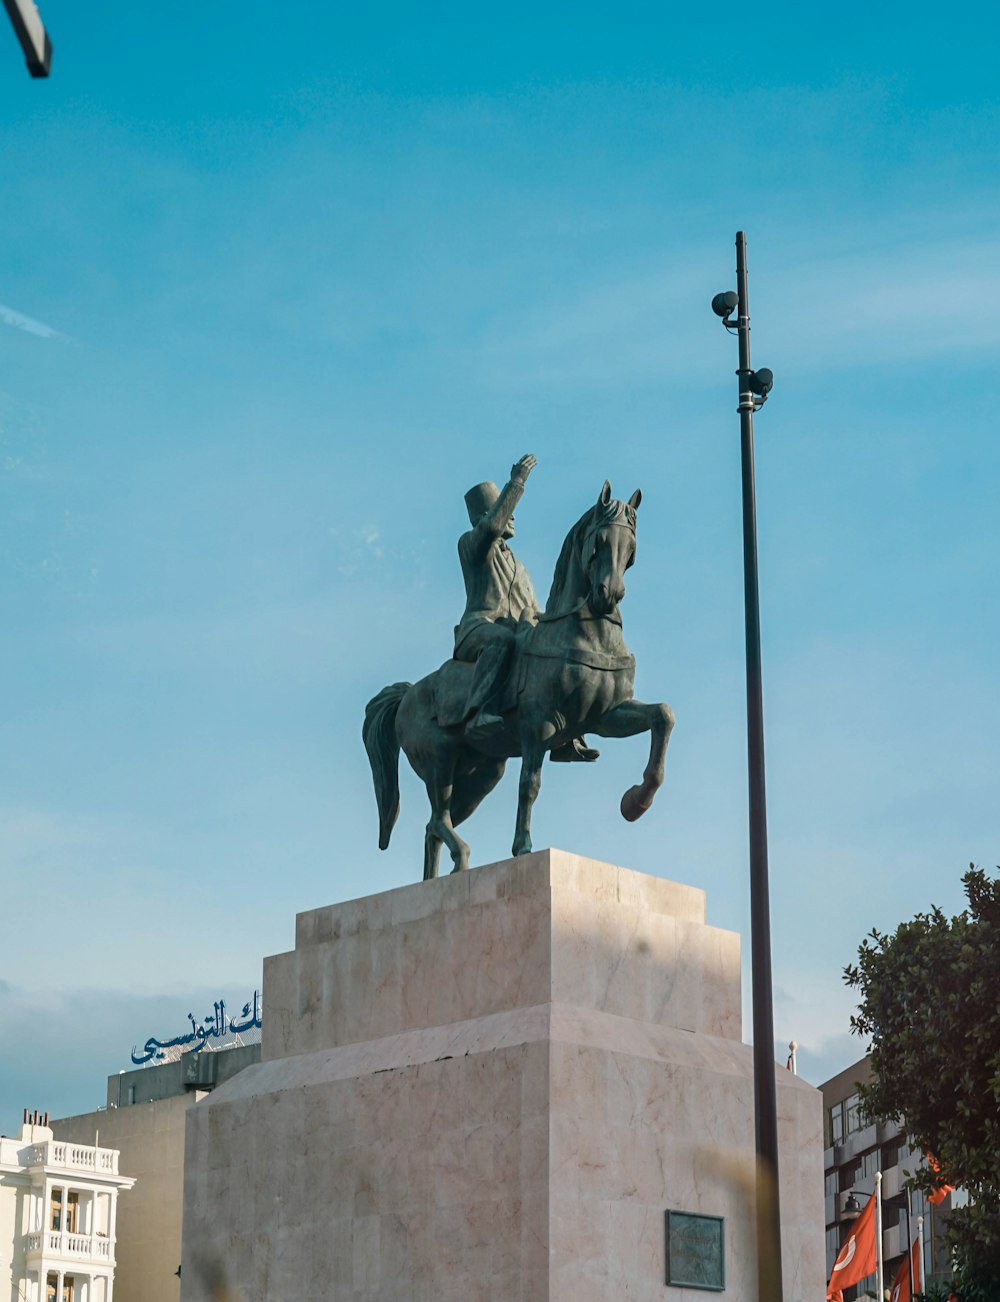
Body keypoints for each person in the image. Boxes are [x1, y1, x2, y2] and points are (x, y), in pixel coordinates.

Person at [454, 454, 539, 736]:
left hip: (517, 631)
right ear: (482, 518)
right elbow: (492, 527)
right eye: (502, 509)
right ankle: (479, 712)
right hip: (480, 629)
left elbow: (534, 609)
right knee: (500, 640)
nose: (511, 515)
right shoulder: (471, 545)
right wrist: (516, 482)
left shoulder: (519, 566)